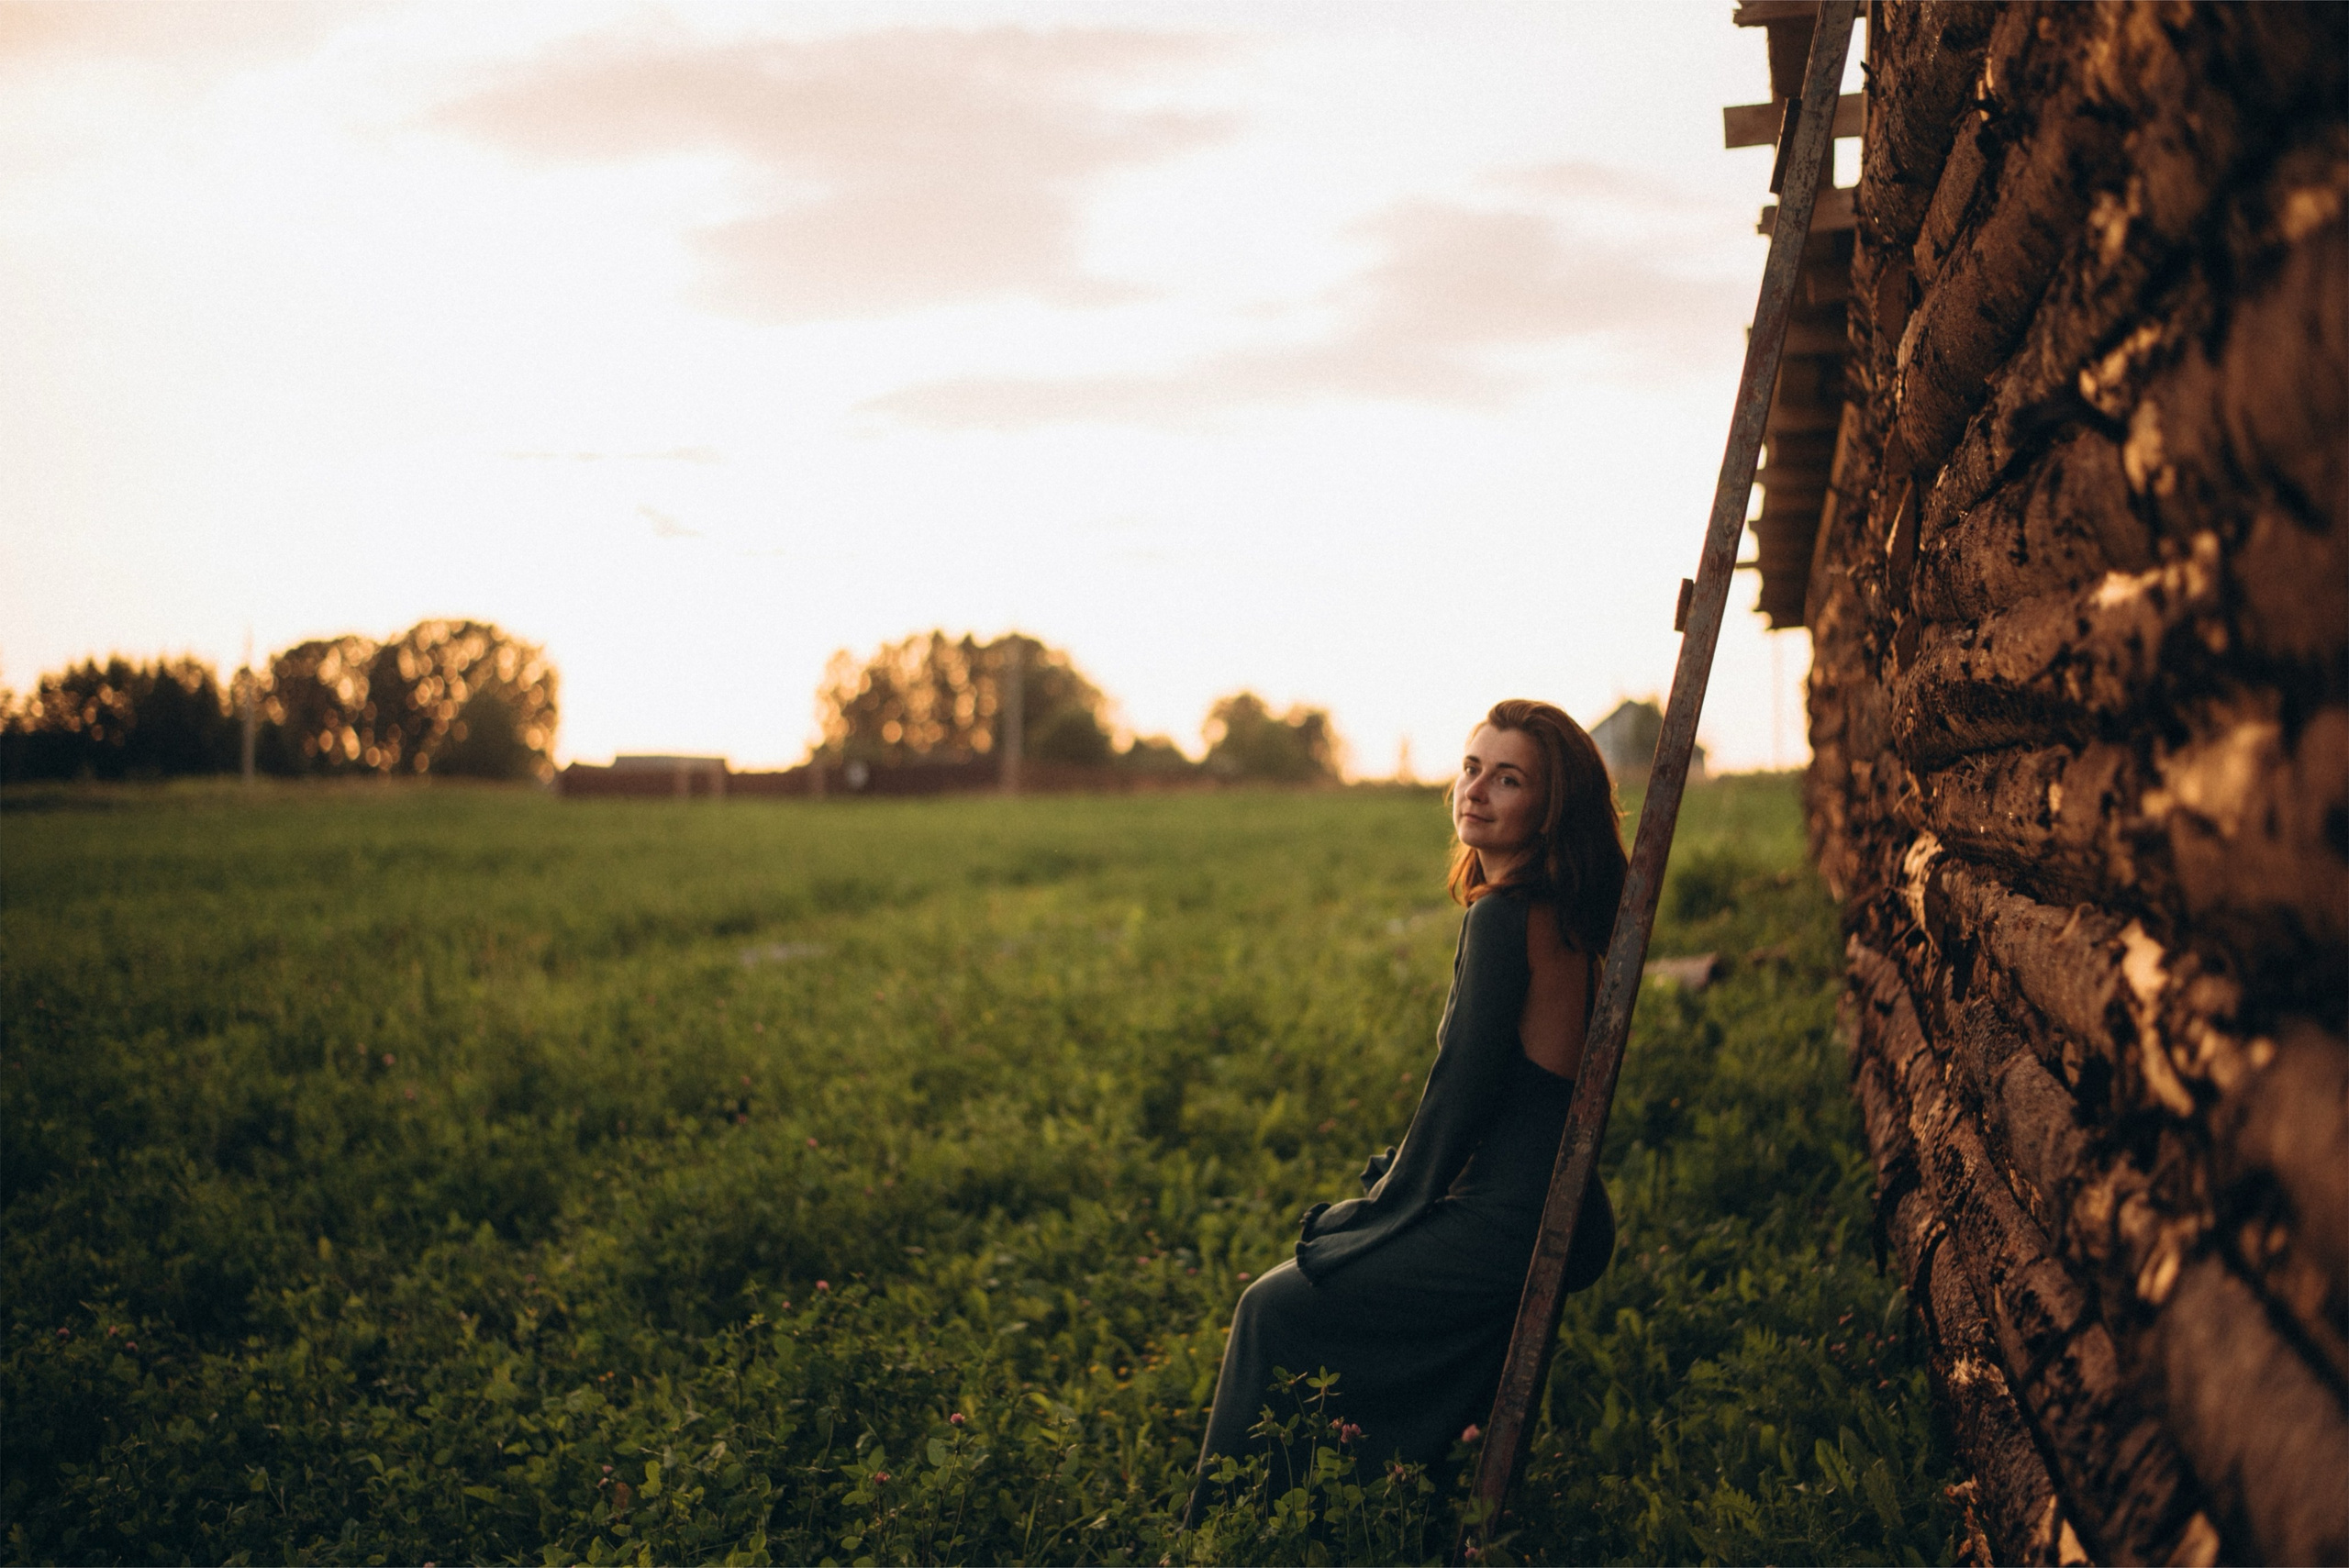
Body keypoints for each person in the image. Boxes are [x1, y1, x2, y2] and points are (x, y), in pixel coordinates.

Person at [1183, 698, 1624, 1523]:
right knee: (1330, 1290)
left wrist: (1388, 1207)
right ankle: (1387, 1504)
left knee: (1270, 1308)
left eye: (1509, 778)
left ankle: (1222, 1534)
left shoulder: (1503, 917)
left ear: (1549, 808)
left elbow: (1459, 1089)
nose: (1477, 790)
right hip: (1552, 1207)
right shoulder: (1559, 912)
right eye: (1471, 767)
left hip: (1511, 1220)